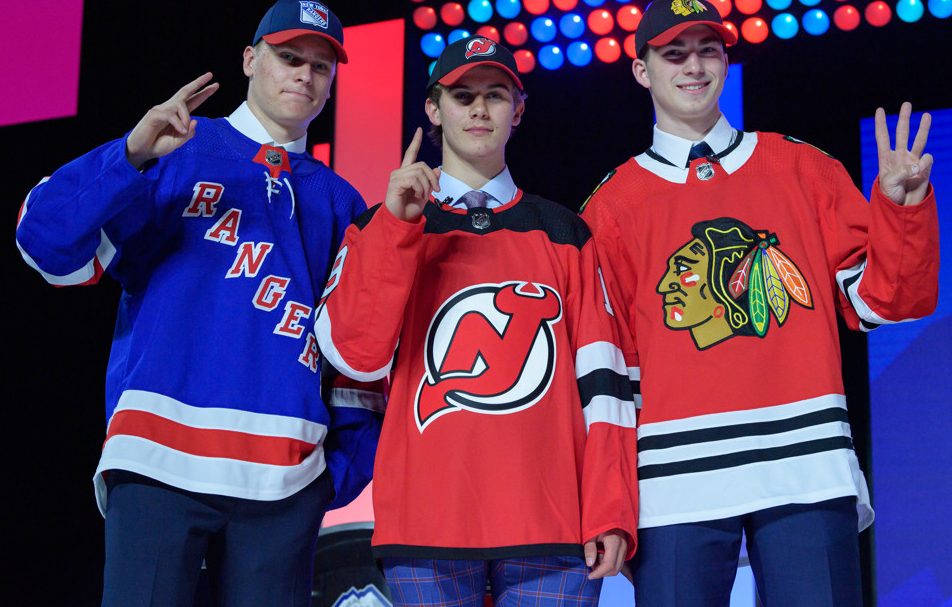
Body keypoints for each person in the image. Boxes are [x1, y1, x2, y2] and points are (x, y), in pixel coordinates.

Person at [14, 2, 382, 606]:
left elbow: (357, 351)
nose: (304, 76)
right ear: (250, 59)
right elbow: (46, 244)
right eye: (289, 58)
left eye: (321, 66)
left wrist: (333, 474)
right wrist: (130, 154)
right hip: (158, 461)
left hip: (286, 475)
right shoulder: (173, 148)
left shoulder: (341, 200)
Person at [580, 1, 939, 605]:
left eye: (708, 51)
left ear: (725, 60)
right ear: (641, 71)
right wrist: (608, 507)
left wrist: (901, 210)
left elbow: (881, 304)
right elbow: (607, 378)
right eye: (674, 54)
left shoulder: (801, 166)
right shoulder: (611, 207)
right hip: (674, 480)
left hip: (805, 466)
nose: (693, 67)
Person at [315, 36, 639, 606]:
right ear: (433, 110)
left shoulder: (564, 232)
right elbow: (353, 354)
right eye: (463, 95)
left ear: (519, 109)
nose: (480, 109)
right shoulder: (380, 225)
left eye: (495, 94)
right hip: (426, 524)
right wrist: (397, 230)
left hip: (551, 526)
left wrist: (612, 508)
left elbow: (605, 389)